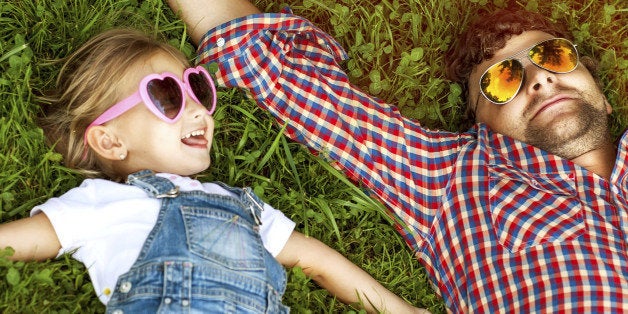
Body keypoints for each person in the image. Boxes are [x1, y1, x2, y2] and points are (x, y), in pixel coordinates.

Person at [166, 0, 627, 313]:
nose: (540, 79)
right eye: (504, 79)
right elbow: (268, 62)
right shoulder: (451, 179)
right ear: (479, 125)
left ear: (603, 95)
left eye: (554, 56)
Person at [0, 28, 428, 313]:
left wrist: (400, 309)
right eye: (166, 97)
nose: (197, 110)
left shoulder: (240, 204)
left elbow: (316, 259)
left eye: (198, 89)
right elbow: (17, 241)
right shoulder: (104, 204)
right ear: (110, 140)